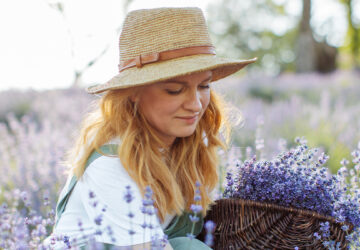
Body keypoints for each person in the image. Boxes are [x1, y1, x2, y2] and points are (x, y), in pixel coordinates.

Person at [44, 7, 256, 249]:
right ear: (133, 93)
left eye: (204, 86)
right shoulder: (111, 162)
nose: (196, 105)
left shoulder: (190, 146)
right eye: (174, 90)